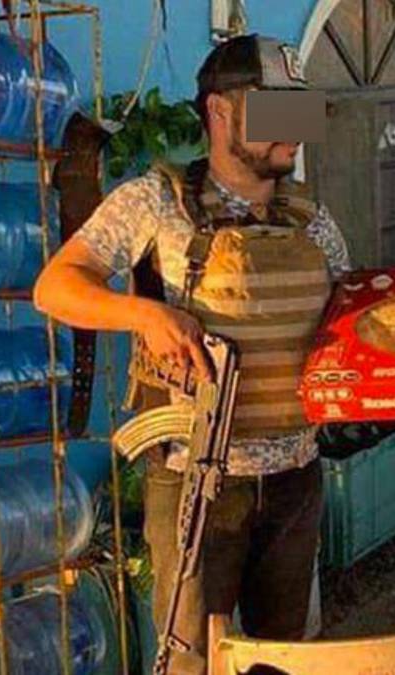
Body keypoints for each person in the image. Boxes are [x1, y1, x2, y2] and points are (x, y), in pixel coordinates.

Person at [34, 35, 350, 675]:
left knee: (284, 658)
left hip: (296, 476)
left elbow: (349, 318)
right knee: (192, 662)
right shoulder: (155, 202)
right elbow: (55, 287)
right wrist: (145, 314)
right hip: (197, 481)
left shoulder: (311, 218)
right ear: (220, 111)